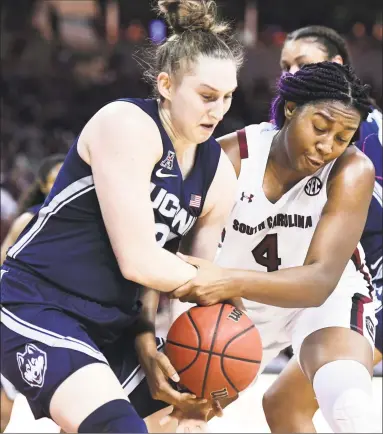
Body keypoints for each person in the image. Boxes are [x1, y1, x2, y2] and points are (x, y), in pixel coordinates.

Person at [0, 1, 243, 432]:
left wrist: (171, 347)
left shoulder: (219, 174)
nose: (219, 110)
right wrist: (229, 284)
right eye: (207, 96)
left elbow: (193, 293)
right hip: (40, 301)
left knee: (183, 419)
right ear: (166, 85)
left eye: (228, 97)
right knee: (117, 427)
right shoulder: (126, 123)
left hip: (118, 323)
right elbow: (141, 261)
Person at [170, 61, 381, 433]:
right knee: (170, 420)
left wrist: (229, 281)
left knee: (349, 405)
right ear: (290, 108)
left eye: (343, 137)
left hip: (321, 300)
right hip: (234, 308)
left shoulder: (352, 171)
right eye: (320, 127)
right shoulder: (231, 159)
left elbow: (319, 282)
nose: (327, 146)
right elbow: (193, 260)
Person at [258, 26, 382, 433]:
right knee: (283, 405)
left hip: (374, 281)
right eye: (284, 66)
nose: (290, 73)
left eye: (301, 64)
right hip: (355, 275)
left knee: (345, 400)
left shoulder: (357, 132)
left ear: (335, 67)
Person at [0, 153, 65, 433]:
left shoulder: (90, 219)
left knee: (71, 410)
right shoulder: (28, 219)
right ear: (42, 185)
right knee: (6, 409)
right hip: (23, 317)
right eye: (56, 179)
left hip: (65, 321)